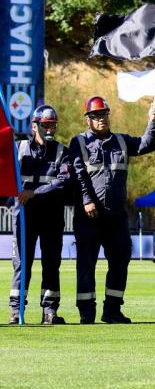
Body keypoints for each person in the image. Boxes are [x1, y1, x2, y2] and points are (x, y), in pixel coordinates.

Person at [70, 96, 155, 324]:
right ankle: (86, 313)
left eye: (104, 115)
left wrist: (153, 121)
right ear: (87, 120)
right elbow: (79, 175)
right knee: (86, 265)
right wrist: (87, 200)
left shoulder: (121, 141)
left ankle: (112, 310)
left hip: (116, 216)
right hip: (89, 216)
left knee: (120, 261)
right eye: (96, 116)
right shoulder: (78, 143)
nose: (101, 119)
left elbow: (146, 144)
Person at [8, 105, 70, 325]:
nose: (50, 129)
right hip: (24, 217)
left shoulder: (62, 152)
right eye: (45, 125)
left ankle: (49, 311)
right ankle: (16, 311)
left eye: (53, 125)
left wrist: (33, 192)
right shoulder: (18, 149)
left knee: (51, 263)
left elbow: (63, 182)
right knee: (21, 264)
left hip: (52, 217)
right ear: (35, 126)